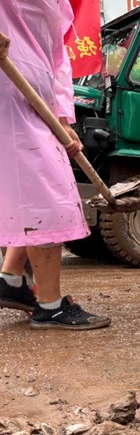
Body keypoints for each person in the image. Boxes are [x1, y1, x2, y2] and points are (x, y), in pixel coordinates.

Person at [0, 3, 110, 330]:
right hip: (9, 95)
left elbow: (57, 57)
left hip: (34, 100)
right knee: (46, 198)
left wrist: (62, 120)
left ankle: (11, 281)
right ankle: (50, 305)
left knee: (32, 193)